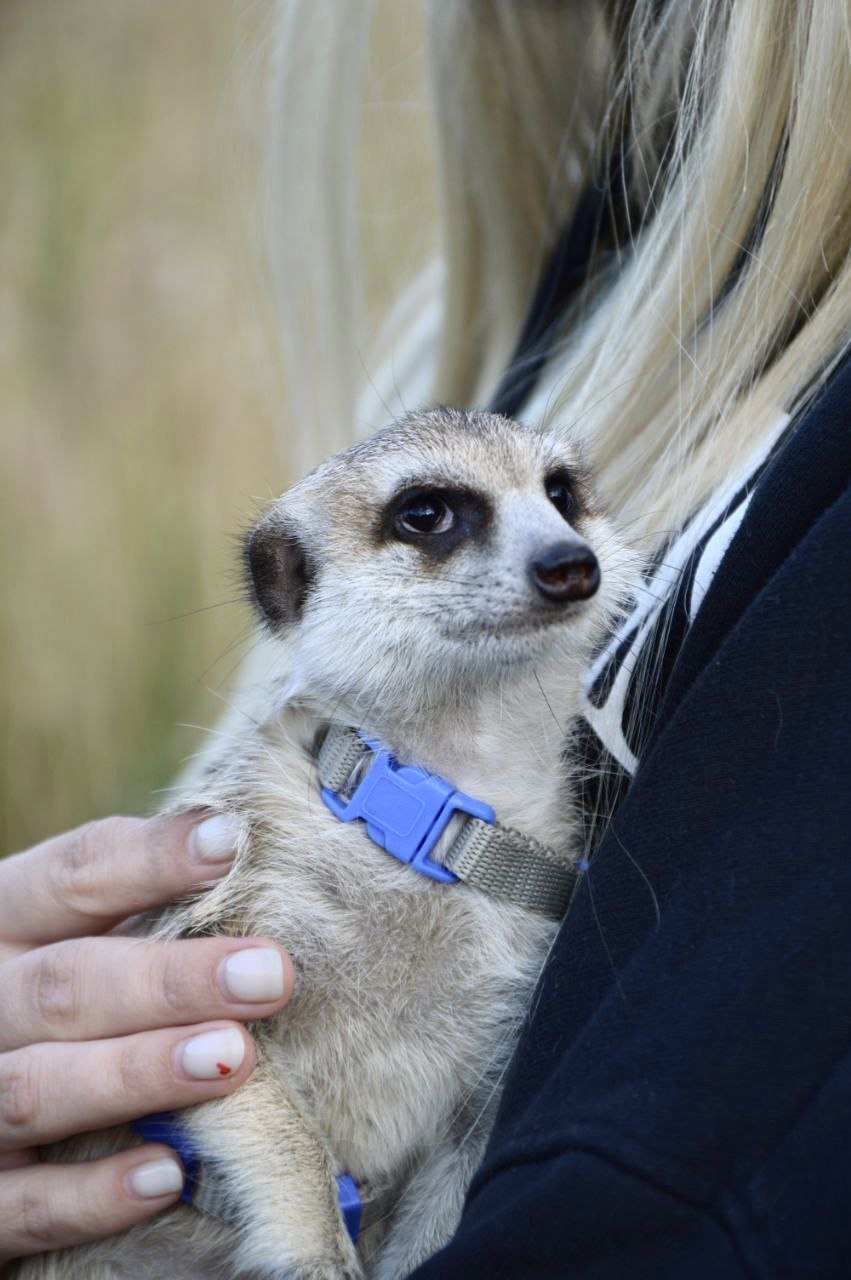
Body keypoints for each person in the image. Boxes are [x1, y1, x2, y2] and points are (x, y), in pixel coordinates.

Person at [2, 0, 849, 1272]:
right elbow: (222, 1065)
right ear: (296, 590)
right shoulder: (583, 253)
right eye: (432, 519)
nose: (550, 553)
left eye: (564, 503)